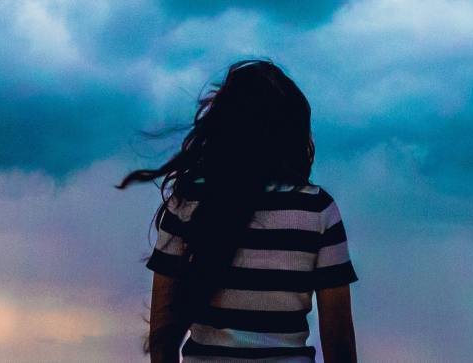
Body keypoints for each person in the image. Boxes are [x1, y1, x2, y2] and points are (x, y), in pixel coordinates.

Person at [117, 59, 359, 362]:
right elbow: (339, 343)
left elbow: (163, 340)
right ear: (292, 131)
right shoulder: (317, 209)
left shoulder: (188, 202)